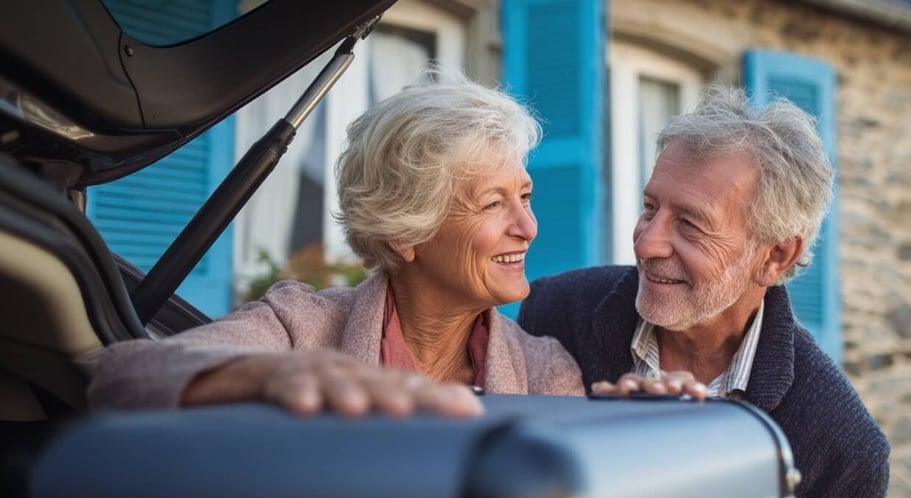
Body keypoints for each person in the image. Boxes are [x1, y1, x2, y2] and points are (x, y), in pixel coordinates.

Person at [519, 86, 890, 498]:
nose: (647, 241)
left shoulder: (841, 442)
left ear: (777, 257)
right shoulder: (552, 313)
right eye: (649, 207)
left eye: (690, 225)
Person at [89, 70, 702, 415]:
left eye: (527, 196)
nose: (528, 227)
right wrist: (258, 379)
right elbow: (120, 375)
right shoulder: (301, 325)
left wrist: (634, 425)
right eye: (494, 203)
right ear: (405, 231)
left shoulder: (544, 368)